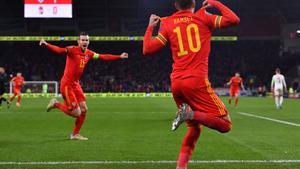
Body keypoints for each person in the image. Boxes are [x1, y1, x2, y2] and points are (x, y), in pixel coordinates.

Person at [143, 0, 239, 168]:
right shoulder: (202, 16)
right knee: (226, 124)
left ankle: (181, 166)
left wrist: (150, 26)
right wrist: (215, 2)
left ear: (175, 5)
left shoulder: (167, 22)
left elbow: (147, 49)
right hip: (196, 82)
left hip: (176, 84)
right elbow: (234, 20)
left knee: (194, 129)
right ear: (194, 2)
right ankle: (190, 114)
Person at [39, 32, 128, 141]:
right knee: (77, 113)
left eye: (86, 40)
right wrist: (46, 44)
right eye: (83, 40)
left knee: (84, 109)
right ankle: (56, 104)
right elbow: (59, 50)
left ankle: (75, 134)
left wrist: (119, 56)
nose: (85, 42)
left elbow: (103, 56)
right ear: (78, 41)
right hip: (67, 85)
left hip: (76, 84)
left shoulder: (89, 53)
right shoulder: (72, 50)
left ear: (88, 41)